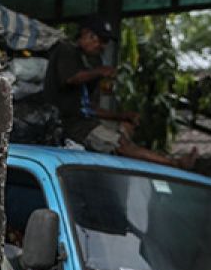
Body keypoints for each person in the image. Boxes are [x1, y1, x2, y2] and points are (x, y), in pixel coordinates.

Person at [43, 14, 194, 169]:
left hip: (86, 121)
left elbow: (91, 108)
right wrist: (99, 72)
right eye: (101, 40)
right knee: (121, 145)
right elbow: (70, 78)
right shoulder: (67, 50)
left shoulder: (89, 61)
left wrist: (122, 116)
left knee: (126, 127)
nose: (103, 46)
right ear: (87, 34)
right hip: (69, 123)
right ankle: (174, 164)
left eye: (106, 42)